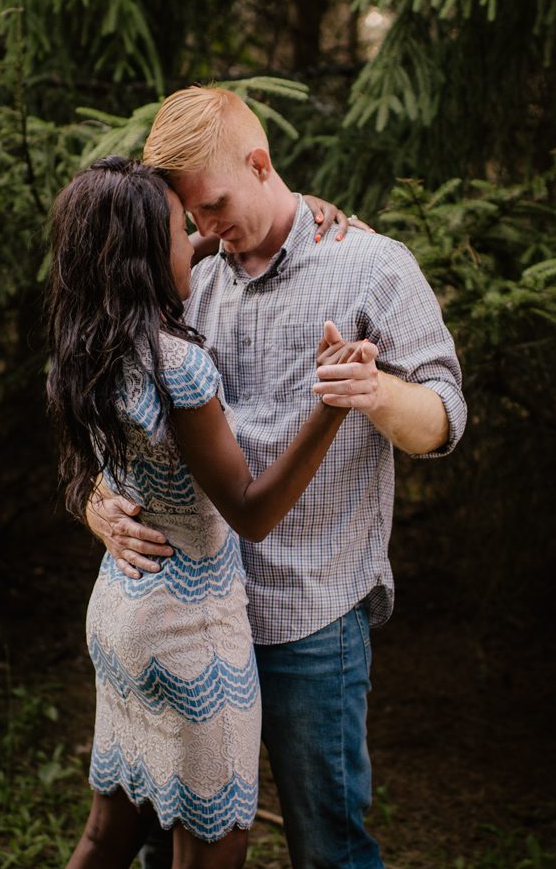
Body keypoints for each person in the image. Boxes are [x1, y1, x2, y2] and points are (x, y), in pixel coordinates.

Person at [89, 87, 466, 869]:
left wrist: (375, 394)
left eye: (215, 205)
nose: (204, 229)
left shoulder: (369, 264)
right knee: (171, 838)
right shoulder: (188, 276)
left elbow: (443, 419)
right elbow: (119, 409)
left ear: (259, 162)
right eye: (188, 216)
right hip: (191, 621)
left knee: (327, 844)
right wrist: (96, 500)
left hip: (311, 617)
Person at [46, 156, 370, 868]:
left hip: (120, 614)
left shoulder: (86, 346)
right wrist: (331, 404)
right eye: (179, 228)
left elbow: (149, 250)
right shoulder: (175, 363)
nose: (196, 236)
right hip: (192, 638)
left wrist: (280, 208)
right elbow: (250, 512)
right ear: (142, 255)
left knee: (108, 835)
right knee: (214, 844)